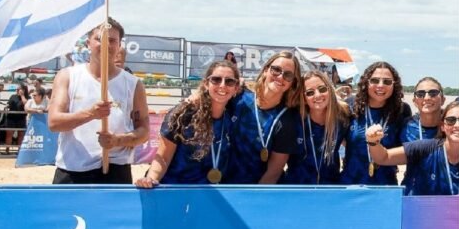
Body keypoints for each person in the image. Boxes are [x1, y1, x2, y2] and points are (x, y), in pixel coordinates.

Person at [48, 18, 149, 184]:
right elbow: (54, 122)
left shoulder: (133, 84)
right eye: (99, 39)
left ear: (119, 45)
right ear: (88, 43)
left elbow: (144, 131)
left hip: (115, 169)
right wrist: (90, 114)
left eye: (112, 40)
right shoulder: (68, 76)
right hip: (73, 169)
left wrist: (117, 140)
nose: (106, 44)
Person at [135, 60, 240, 187]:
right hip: (173, 190)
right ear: (206, 84)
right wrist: (151, 179)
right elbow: (163, 158)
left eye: (229, 81)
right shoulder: (182, 115)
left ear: (236, 88)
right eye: (216, 80)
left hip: (207, 192)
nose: (222, 85)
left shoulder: (234, 117)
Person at [225, 50, 300, 184]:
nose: (280, 77)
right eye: (276, 70)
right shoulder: (238, 99)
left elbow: (273, 172)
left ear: (292, 82)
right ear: (266, 70)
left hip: (259, 187)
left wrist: (255, 195)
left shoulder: (287, 119)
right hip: (225, 185)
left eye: (288, 75)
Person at [341, 62, 412, 185]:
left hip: (386, 185)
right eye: (375, 80)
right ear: (366, 83)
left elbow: (405, 148)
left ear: (394, 85)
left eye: (387, 82)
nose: (380, 85)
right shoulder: (350, 105)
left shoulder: (402, 110)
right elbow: (340, 137)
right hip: (351, 183)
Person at [283, 71, 349, 185]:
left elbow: (354, 147)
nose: (318, 95)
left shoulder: (342, 117)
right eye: (310, 92)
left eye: (322, 89)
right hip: (297, 187)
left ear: (329, 90)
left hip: (330, 187)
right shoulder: (294, 119)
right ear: (304, 98)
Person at [403, 77, 445, 143]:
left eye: (433, 93)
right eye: (420, 94)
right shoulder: (404, 126)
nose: (426, 98)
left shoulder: (452, 125)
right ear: (414, 102)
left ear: (442, 100)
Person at [5, 85, 29, 154]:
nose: (18, 91)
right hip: (11, 118)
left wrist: (22, 96)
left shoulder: (28, 97)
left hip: (21, 118)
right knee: (9, 134)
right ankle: (7, 150)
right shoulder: (13, 96)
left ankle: (19, 150)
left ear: (24, 90)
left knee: (21, 135)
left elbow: (26, 104)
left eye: (19, 89)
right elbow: (8, 104)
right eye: (17, 89)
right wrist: (7, 106)